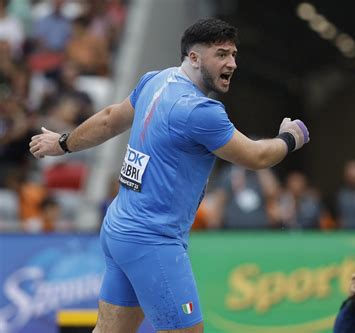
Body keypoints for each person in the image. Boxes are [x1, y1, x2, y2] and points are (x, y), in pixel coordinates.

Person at [29, 18, 309, 333]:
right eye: (221, 54)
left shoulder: (155, 80)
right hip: (153, 241)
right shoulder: (201, 112)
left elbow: (109, 120)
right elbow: (257, 157)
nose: (232, 62)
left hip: (119, 229)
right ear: (193, 57)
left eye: (233, 54)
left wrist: (63, 143)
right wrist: (290, 138)